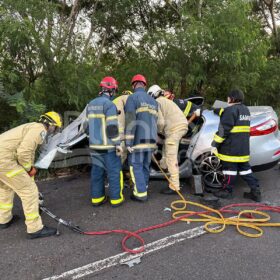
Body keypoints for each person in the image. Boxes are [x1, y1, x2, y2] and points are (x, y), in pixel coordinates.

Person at [0, 112, 62, 239]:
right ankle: (35, 229)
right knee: (29, 190)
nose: (53, 131)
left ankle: (3, 219)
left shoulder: (31, 126)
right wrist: (29, 169)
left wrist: (28, 167)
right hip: (4, 161)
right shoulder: (39, 129)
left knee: (6, 188)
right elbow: (24, 152)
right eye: (55, 128)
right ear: (50, 125)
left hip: (2, 160)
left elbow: (24, 150)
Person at [211, 89, 261, 202]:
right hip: (243, 149)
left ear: (232, 98)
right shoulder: (245, 110)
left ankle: (227, 191)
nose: (227, 100)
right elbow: (229, 114)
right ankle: (255, 192)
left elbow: (223, 130)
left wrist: (215, 144)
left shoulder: (230, 111)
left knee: (229, 170)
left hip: (231, 149)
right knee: (246, 170)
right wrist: (218, 111)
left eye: (228, 98)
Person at [87, 76, 124, 207]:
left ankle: (97, 199)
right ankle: (116, 200)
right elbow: (112, 127)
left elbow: (87, 127)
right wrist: (118, 144)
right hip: (108, 147)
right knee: (114, 173)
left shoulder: (90, 104)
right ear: (111, 89)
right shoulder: (109, 105)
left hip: (94, 146)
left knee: (97, 173)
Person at [147, 85, 188, 194]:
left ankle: (175, 187)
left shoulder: (158, 102)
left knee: (171, 156)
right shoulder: (166, 101)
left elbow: (160, 123)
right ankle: (164, 167)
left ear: (152, 95)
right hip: (178, 127)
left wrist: (157, 132)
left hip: (175, 129)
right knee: (166, 147)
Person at [125, 74, 158, 202]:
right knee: (145, 166)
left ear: (134, 85)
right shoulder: (154, 101)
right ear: (144, 85)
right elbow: (155, 122)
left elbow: (130, 121)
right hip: (150, 141)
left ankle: (140, 194)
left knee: (135, 166)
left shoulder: (132, 98)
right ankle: (143, 187)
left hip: (138, 140)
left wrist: (128, 142)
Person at [113, 90, 133, 164]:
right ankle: (119, 170)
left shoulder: (115, 100)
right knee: (122, 152)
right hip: (119, 133)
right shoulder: (130, 99)